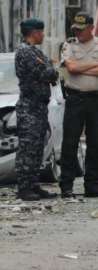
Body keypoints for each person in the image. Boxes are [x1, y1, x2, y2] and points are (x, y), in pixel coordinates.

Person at [14, 18, 59, 201]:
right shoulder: (25, 52)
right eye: (41, 31)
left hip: (39, 106)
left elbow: (49, 71)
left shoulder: (34, 51)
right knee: (28, 149)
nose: (43, 35)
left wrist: (50, 70)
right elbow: (46, 73)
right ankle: (24, 188)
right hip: (29, 107)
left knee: (37, 148)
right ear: (35, 32)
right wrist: (50, 70)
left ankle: (34, 185)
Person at [60, 12, 98, 198]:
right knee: (69, 142)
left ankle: (92, 185)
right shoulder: (69, 44)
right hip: (75, 98)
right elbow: (71, 68)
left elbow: (76, 67)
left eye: (81, 29)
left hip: (95, 99)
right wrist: (94, 66)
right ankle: (66, 186)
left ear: (91, 28)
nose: (77, 32)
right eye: (75, 28)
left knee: (95, 143)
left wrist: (80, 66)